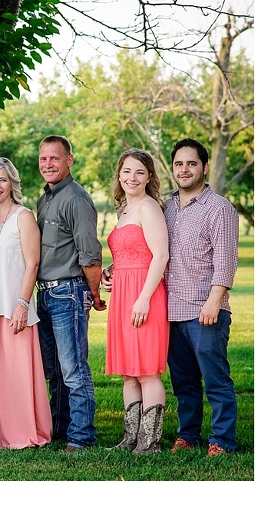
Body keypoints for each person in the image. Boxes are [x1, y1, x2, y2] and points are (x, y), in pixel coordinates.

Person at [164, 138, 239, 456]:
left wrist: (214, 300)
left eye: (191, 163)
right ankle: (188, 434)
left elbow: (226, 260)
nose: (185, 169)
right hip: (171, 310)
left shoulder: (219, 209)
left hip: (205, 309)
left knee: (216, 380)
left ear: (204, 167)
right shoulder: (166, 206)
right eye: (179, 163)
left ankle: (222, 440)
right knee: (184, 383)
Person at [0, 158, 51, 449]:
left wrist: (22, 303)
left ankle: (23, 433)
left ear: (12, 183)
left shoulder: (24, 216)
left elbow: (33, 263)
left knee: (16, 372)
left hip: (13, 306)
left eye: (2, 179)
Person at [35, 135, 105, 452]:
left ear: (69, 160)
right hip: (45, 294)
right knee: (56, 371)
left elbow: (90, 253)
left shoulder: (76, 199)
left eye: (55, 158)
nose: (48, 164)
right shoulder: (45, 198)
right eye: (43, 159)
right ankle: (61, 428)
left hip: (69, 292)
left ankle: (82, 436)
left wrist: (93, 294)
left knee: (74, 368)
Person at [103, 149, 169, 454]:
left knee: (146, 370)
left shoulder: (149, 207)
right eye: (127, 171)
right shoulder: (123, 211)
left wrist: (143, 298)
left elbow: (160, 256)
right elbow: (129, 253)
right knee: (129, 371)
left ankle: (149, 442)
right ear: (119, 175)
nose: (132, 177)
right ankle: (130, 438)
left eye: (140, 172)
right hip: (122, 295)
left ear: (149, 178)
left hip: (145, 296)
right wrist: (111, 271)